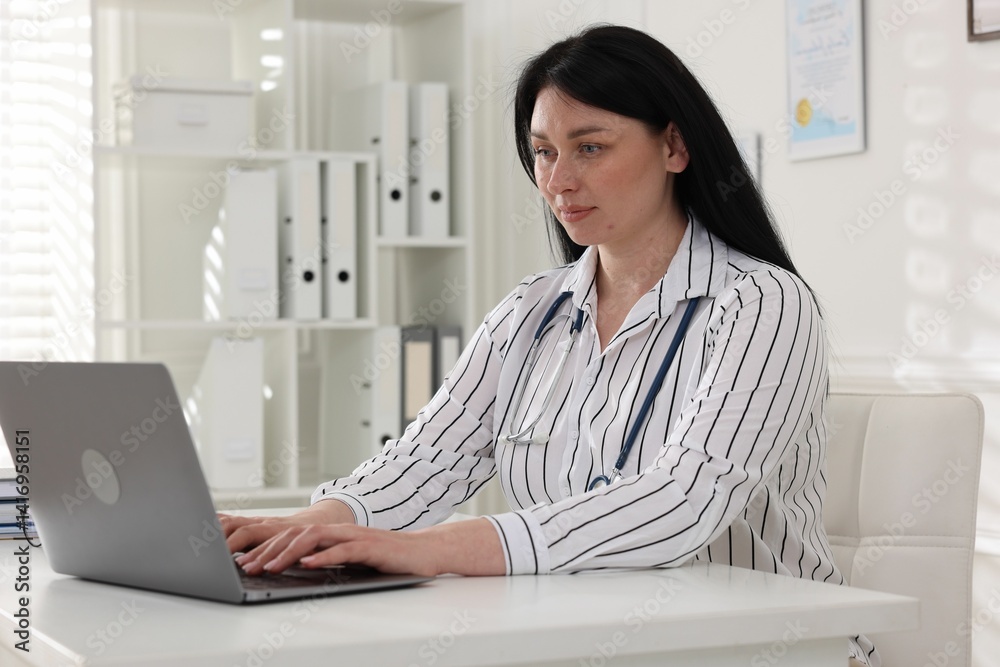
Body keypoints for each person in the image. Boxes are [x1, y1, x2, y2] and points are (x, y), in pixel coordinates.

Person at [222, 24, 876, 667]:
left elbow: (683, 502)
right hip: (587, 638)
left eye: (590, 148)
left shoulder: (762, 303)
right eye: (542, 152)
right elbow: (427, 460)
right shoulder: (529, 313)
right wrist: (310, 526)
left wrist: (442, 546)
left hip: (767, 646)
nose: (558, 180)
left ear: (674, 145)